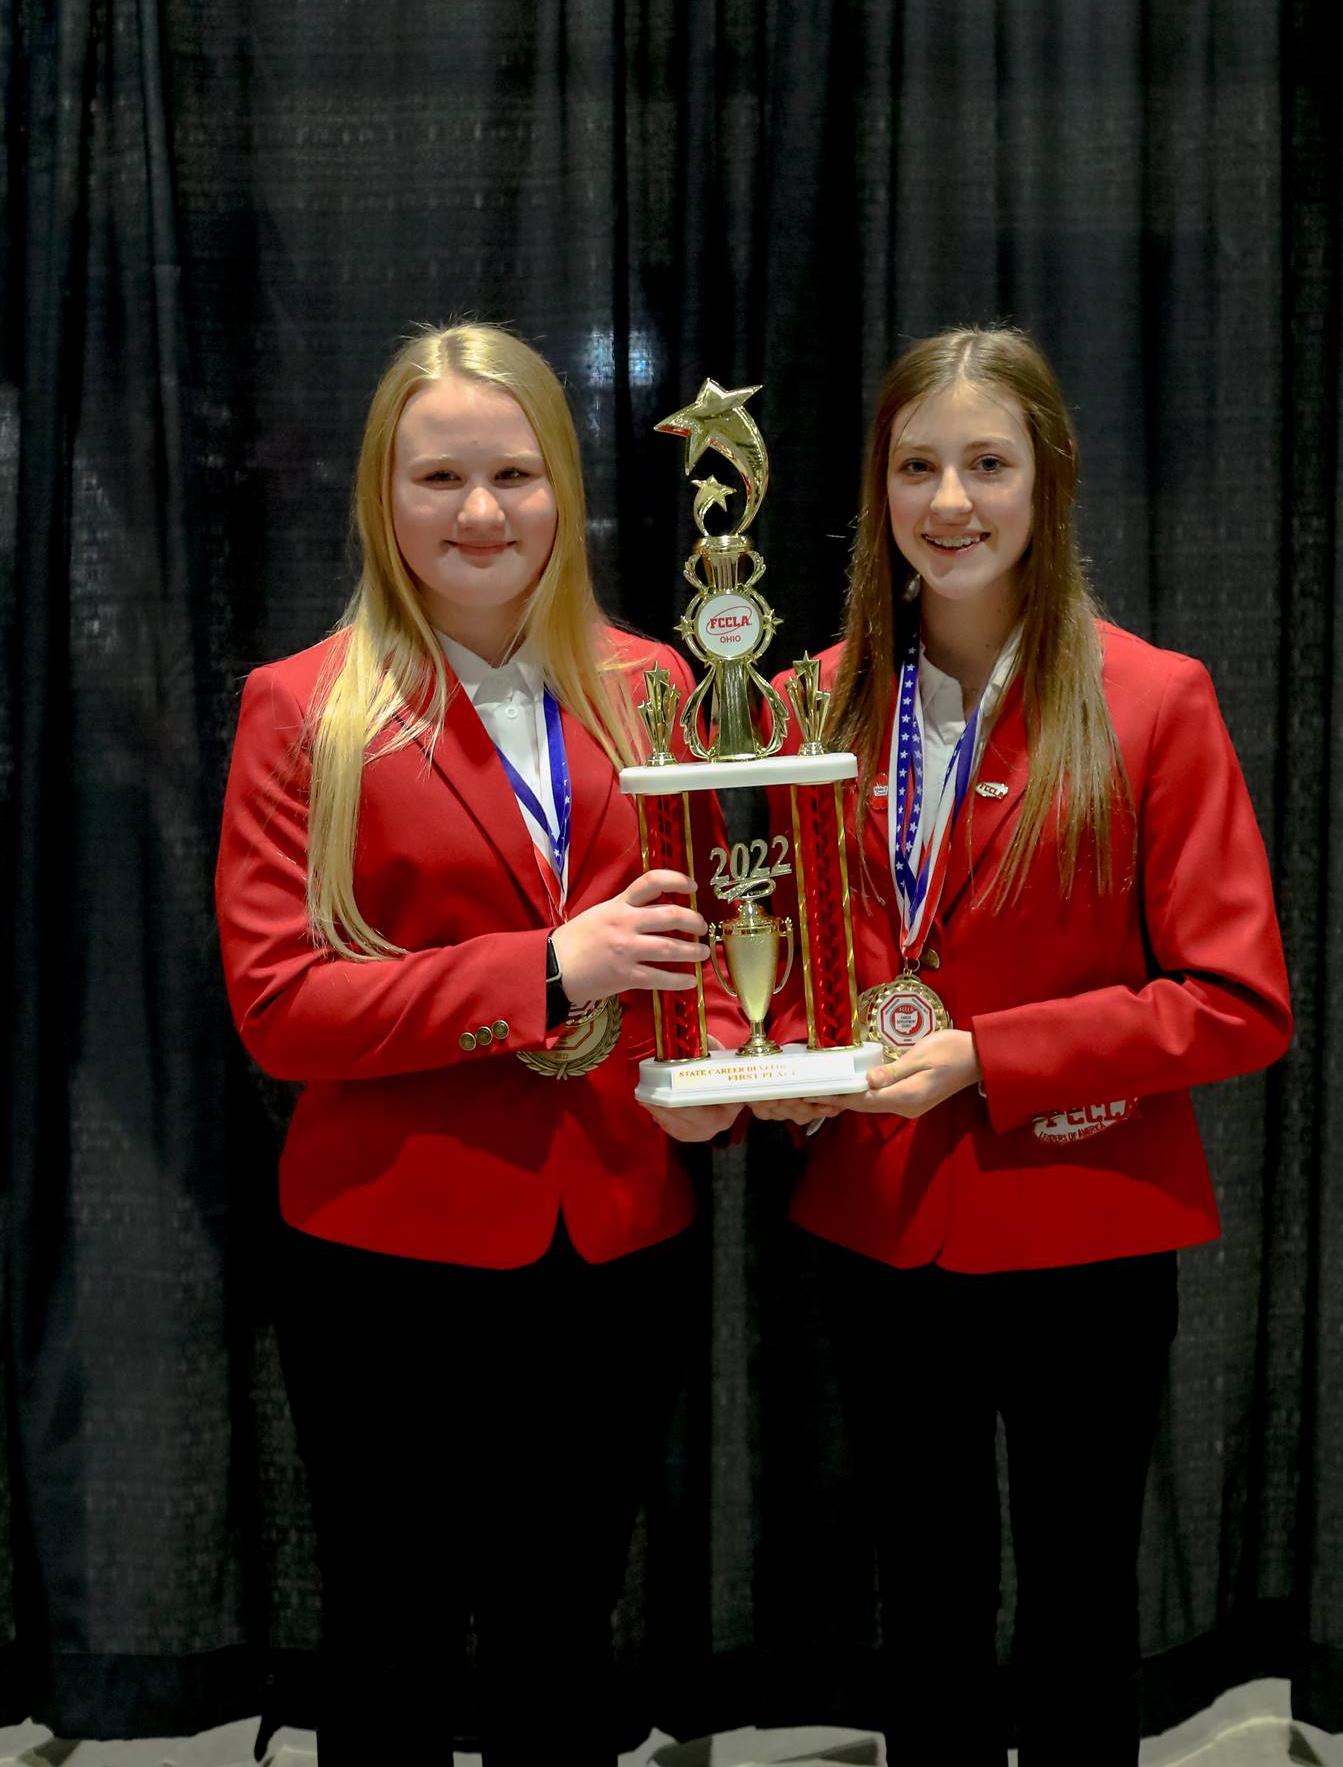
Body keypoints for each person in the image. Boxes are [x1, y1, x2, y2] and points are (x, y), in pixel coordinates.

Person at [752, 327, 1292, 1766]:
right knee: (920, 1612)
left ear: (1047, 481)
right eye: (917, 464)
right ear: (877, 488)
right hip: (880, 1225)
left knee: (1078, 1614)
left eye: (987, 463)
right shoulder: (815, 701)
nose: (951, 501)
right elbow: (798, 964)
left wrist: (990, 1054)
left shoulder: (1152, 699)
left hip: (1084, 1225)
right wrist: (763, 1057)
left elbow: (1237, 1003)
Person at [215, 324, 731, 1766]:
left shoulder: (662, 690)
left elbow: (719, 940)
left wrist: (728, 1085)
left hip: (619, 1234)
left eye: (514, 472)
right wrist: (543, 971)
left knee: (564, 1637)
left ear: (568, 489)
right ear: (383, 497)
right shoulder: (303, 710)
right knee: (392, 1644)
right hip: (388, 1258)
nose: (482, 511)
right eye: (439, 476)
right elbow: (279, 1007)